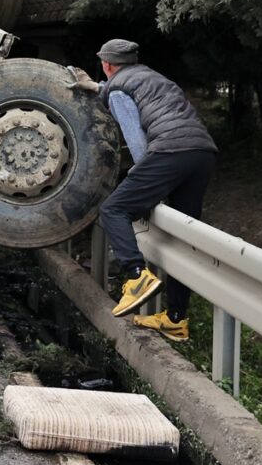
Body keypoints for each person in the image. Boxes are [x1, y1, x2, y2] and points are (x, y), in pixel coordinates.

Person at [68, 39, 217, 342]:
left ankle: (136, 276)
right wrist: (99, 88)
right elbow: (132, 95)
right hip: (202, 153)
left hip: (169, 152)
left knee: (113, 209)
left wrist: (143, 180)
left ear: (107, 64)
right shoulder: (151, 76)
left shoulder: (120, 89)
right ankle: (176, 319)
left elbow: (137, 140)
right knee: (181, 237)